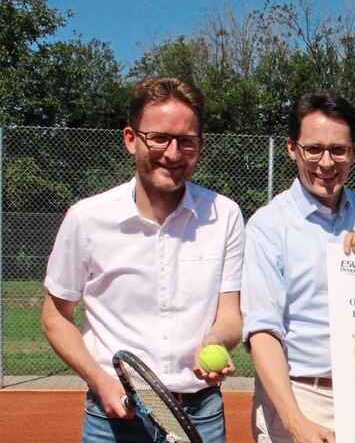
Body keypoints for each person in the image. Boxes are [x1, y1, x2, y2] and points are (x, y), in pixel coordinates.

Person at [40, 76, 245, 442]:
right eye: (159, 138)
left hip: (200, 414)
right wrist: (100, 381)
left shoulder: (225, 215)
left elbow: (230, 313)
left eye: (186, 141)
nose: (173, 153)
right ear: (131, 139)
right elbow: (55, 317)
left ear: (200, 144)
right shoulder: (87, 219)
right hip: (114, 416)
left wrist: (214, 341)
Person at [241, 92, 355, 443]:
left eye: (338, 150)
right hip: (299, 396)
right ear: (292, 148)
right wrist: (294, 421)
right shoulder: (268, 225)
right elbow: (263, 330)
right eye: (313, 149)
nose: (326, 163)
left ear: (353, 151)